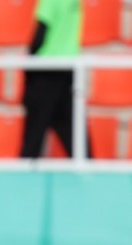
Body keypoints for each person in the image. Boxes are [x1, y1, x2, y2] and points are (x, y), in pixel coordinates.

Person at [20, 0, 91, 158]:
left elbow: (40, 35)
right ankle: (88, 175)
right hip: (68, 71)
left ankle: (24, 178)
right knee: (75, 135)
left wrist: (28, 65)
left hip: (46, 71)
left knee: (33, 137)